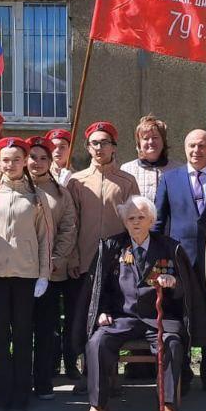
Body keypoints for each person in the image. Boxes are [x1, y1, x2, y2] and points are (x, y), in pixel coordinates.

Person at [75, 195, 206, 411]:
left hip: (158, 318)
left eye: (141, 217)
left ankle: (167, 406)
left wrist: (173, 282)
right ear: (125, 221)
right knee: (97, 342)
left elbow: (186, 292)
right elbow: (99, 287)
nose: (136, 222)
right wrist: (103, 311)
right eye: (131, 218)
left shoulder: (170, 247)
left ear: (152, 220)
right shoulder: (112, 247)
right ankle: (98, 406)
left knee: (171, 343)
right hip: (121, 317)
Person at [0, 137, 53, 411]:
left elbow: (45, 239)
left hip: (26, 275)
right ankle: (1, 394)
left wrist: (43, 274)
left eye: (16, 159)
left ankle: (21, 394)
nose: (11, 164)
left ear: (25, 162)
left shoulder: (36, 196)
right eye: (5, 160)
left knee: (22, 335)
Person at [154, 128, 206, 397]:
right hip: (180, 264)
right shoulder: (169, 179)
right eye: (191, 146)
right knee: (180, 318)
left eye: (201, 146)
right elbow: (159, 222)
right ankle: (184, 373)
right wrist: (158, 262)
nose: (196, 151)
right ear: (185, 148)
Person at [66, 121, 139, 391]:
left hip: (117, 264)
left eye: (104, 142)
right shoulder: (76, 181)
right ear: (88, 147)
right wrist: (72, 256)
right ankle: (88, 374)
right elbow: (69, 223)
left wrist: (133, 258)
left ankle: (110, 374)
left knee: (114, 317)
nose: (99, 147)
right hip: (85, 260)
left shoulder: (126, 181)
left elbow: (136, 222)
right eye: (94, 143)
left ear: (113, 147)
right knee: (86, 316)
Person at [27, 135, 77, 401]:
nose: (37, 162)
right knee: (21, 328)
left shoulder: (61, 192)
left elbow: (68, 228)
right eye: (32, 157)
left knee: (46, 328)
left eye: (43, 157)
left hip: (50, 272)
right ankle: (22, 378)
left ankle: (44, 380)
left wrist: (55, 258)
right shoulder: (14, 188)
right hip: (20, 273)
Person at [44, 127, 80, 375]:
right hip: (44, 261)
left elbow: (79, 223)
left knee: (72, 316)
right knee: (48, 318)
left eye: (63, 146)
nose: (58, 150)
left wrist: (74, 257)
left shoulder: (77, 179)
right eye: (53, 146)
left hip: (70, 260)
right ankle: (51, 361)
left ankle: (70, 362)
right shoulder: (37, 179)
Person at [121, 114, 183, 201]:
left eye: (155, 137)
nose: (151, 142)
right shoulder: (127, 170)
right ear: (139, 144)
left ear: (163, 141)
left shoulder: (179, 170)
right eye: (146, 138)